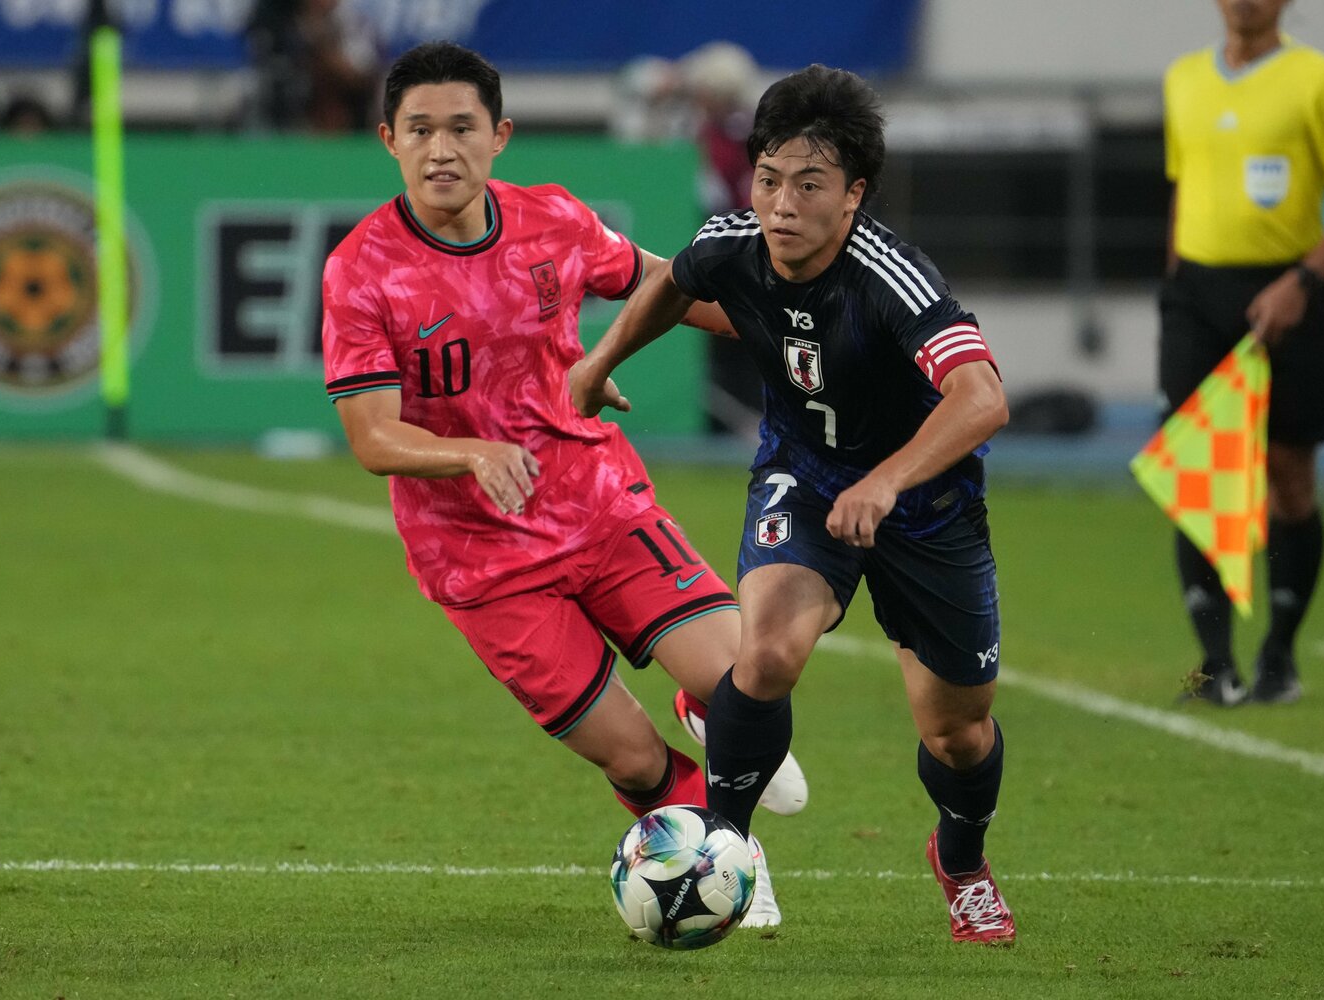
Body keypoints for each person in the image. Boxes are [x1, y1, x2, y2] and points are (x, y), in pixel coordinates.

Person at [319, 42, 808, 928]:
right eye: (419, 130)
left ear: (499, 135)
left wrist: (778, 329)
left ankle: (716, 766)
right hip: (481, 560)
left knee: (749, 677)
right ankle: (721, 847)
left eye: (461, 128)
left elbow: (662, 283)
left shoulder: (552, 219)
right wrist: (471, 453)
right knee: (632, 761)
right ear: (388, 139)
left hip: (598, 504)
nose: (441, 149)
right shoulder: (363, 269)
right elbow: (371, 435)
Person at [572, 64, 1016, 944]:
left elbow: (983, 397)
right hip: (803, 477)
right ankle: (723, 846)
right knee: (768, 651)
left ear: (854, 194)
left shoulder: (891, 278)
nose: (781, 205)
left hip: (925, 506)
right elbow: (675, 283)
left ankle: (962, 859)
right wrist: (599, 360)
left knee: (958, 733)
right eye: (768, 179)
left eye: (809, 185)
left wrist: (885, 482)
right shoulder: (732, 241)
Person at [1160, 0, 1324, 705]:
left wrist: (1305, 283)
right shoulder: (1183, 79)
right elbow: (1185, 187)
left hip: (1290, 290)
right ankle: (1214, 665)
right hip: (1197, 297)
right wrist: (1175, 282)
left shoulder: (1320, 80)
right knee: (1201, 477)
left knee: (1288, 475)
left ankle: (1279, 656)